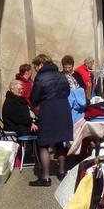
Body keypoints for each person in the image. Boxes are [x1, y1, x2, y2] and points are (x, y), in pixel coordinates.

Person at [29, 54, 72, 187]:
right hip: (63, 109)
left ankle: (45, 177)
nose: (35, 69)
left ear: (40, 64)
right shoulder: (61, 75)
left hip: (48, 110)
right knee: (60, 142)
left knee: (43, 143)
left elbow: (34, 98)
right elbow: (68, 92)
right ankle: (62, 172)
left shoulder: (40, 77)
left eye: (35, 66)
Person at [62, 54, 86, 125]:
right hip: (67, 104)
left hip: (79, 104)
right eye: (65, 67)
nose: (67, 69)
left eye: (69, 67)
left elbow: (83, 87)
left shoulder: (77, 75)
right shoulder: (60, 75)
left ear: (72, 66)